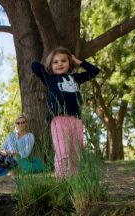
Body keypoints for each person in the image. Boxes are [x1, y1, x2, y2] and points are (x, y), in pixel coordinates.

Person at [31, 47, 100, 177]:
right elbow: (34, 66)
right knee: (62, 152)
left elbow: (94, 71)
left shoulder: (75, 78)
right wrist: (48, 63)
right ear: (50, 65)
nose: (60, 64)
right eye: (55, 62)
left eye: (63, 61)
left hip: (76, 120)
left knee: (75, 153)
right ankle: (61, 182)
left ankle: (74, 182)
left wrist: (78, 61)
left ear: (69, 63)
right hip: (58, 120)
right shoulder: (49, 79)